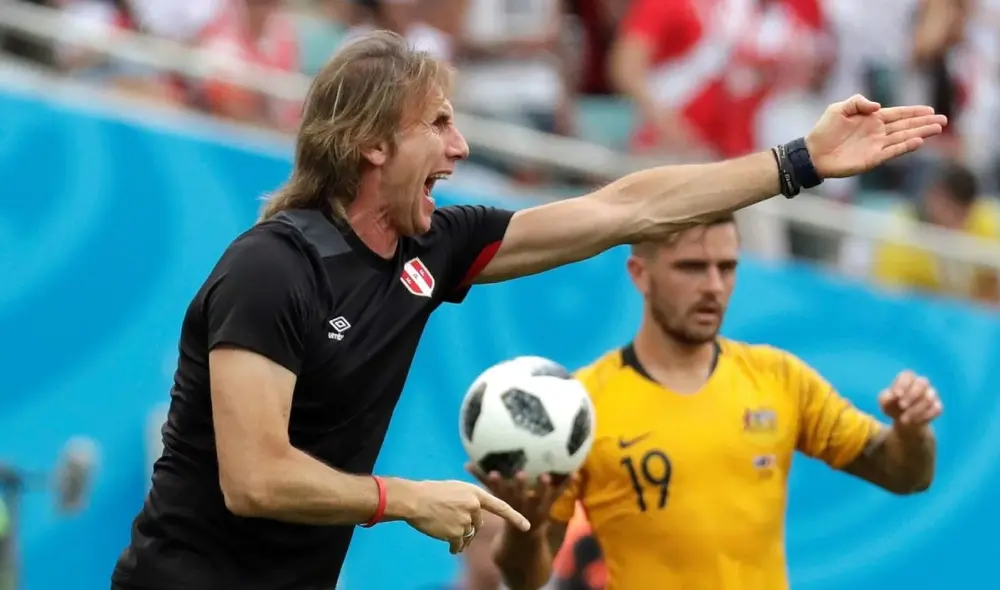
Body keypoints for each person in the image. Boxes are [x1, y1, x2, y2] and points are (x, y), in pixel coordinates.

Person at [109, 29, 946, 590]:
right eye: (438, 124)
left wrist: (799, 160)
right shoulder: (271, 269)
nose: (461, 146)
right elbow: (255, 481)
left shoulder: (428, 249)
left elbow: (627, 208)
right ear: (371, 143)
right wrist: (403, 498)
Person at [482, 215, 943, 590]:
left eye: (727, 267)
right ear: (640, 274)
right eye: (692, 267)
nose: (714, 286)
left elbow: (906, 475)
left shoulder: (778, 377)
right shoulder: (581, 404)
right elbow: (527, 579)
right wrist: (530, 529)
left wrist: (912, 431)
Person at [871, 161, 1000, 304]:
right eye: (951, 212)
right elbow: (890, 296)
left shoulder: (985, 219)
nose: (957, 223)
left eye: (964, 215)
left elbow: (991, 285)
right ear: (934, 197)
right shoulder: (900, 233)